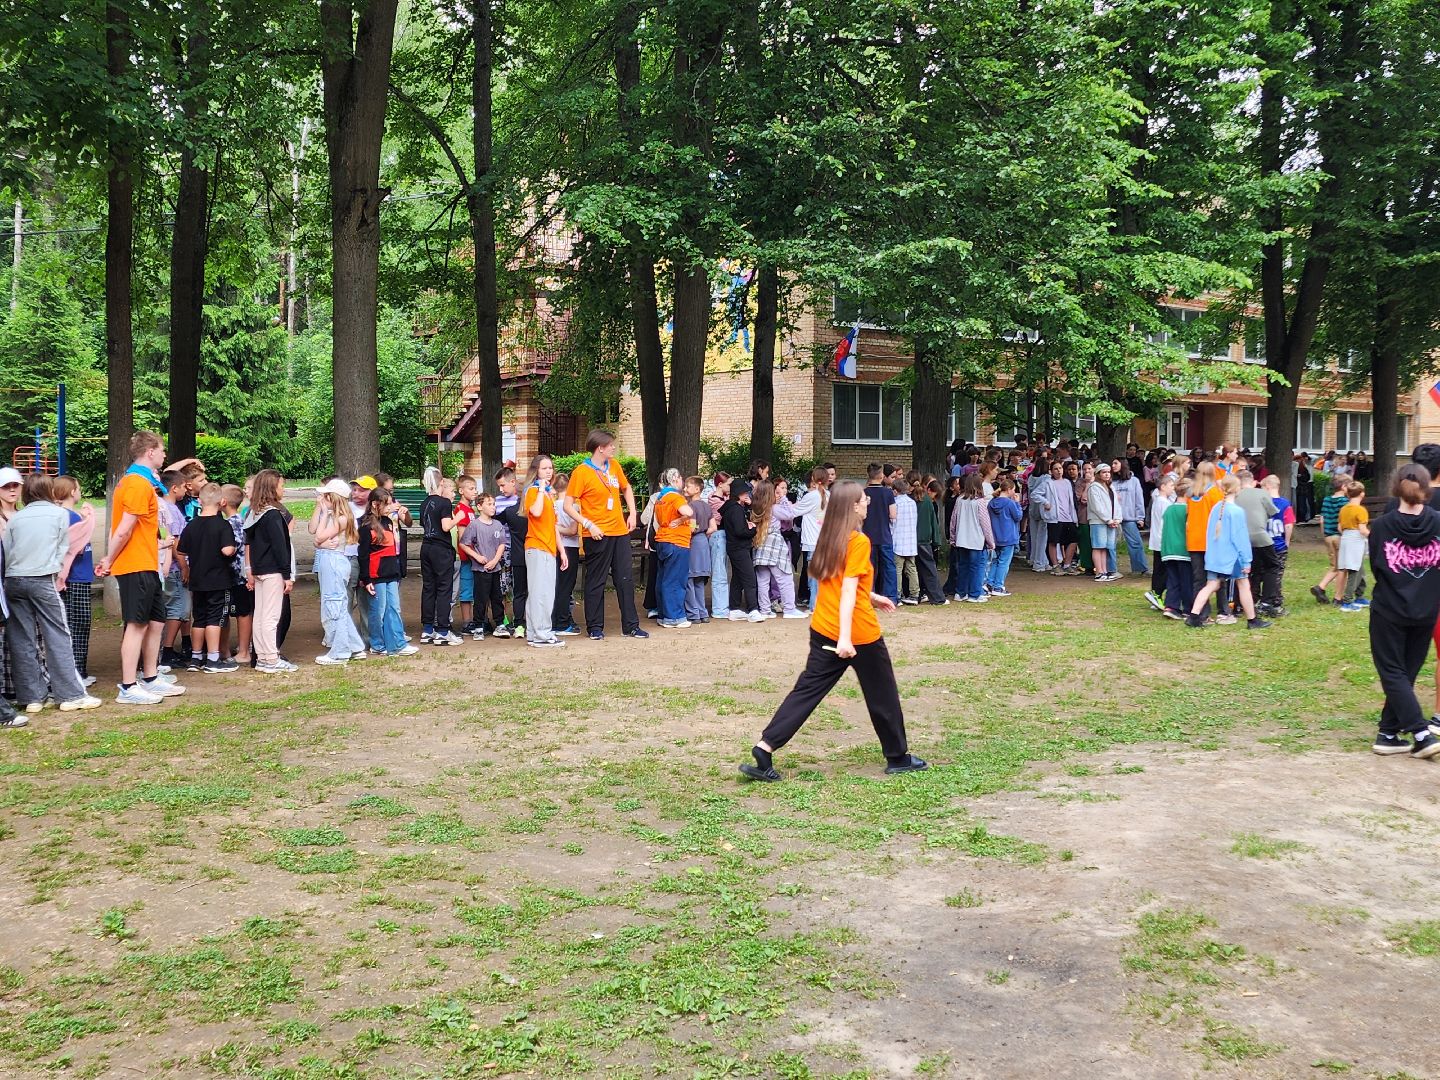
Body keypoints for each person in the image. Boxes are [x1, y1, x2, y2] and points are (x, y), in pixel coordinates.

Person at [736, 481, 927, 782]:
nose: (868, 503)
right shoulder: (858, 541)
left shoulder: (830, 534)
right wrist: (846, 638)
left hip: (823, 626)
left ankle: (765, 747)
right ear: (852, 506)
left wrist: (872, 596)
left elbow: (838, 582)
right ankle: (898, 757)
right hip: (856, 634)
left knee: (806, 691)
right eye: (864, 499)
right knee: (883, 694)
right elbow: (848, 590)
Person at [95, 431, 187, 705]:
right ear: (150, 452)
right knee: (136, 624)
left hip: (147, 563)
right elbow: (124, 530)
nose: (163, 455)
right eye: (161, 451)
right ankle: (127, 685)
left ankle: (150, 677)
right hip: (134, 564)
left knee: (156, 621)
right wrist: (108, 559)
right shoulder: (136, 484)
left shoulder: (144, 481)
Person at [2, 474, 102, 712]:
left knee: (21, 638)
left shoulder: (17, 518)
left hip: (13, 580)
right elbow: (63, 548)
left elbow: (6, 549)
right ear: (49, 490)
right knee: (58, 634)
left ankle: (32, 698)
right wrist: (55, 571)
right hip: (42, 578)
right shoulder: (58, 515)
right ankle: (70, 694)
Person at [1366, 465, 1440, 757]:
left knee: (1394, 671)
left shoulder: (1382, 526)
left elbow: (1376, 566)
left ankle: (1421, 734)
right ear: (1427, 489)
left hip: (1390, 607)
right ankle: (1387, 734)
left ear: (1395, 488)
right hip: (1426, 607)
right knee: (1405, 672)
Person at [563, 430, 646, 640]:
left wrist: (633, 513)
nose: (613, 447)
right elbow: (567, 505)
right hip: (597, 534)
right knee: (596, 581)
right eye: (610, 445)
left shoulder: (614, 466)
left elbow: (626, 489)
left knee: (625, 579)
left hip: (619, 532)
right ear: (600, 447)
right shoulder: (581, 472)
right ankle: (595, 627)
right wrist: (588, 525)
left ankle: (631, 626)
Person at [1186, 476, 1270, 630]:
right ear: (1237, 489)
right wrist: (1246, 560)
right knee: (1244, 584)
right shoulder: (1236, 512)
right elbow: (1240, 538)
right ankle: (1252, 620)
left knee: (1211, 585)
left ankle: (1194, 616)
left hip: (1215, 555)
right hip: (1232, 557)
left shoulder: (1216, 507)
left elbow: (1210, 533)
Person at [177, 483, 240, 674]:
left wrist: (186, 567)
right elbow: (227, 550)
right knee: (215, 618)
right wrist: (234, 548)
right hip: (218, 580)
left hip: (197, 580)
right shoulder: (223, 525)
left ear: (199, 500)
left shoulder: (192, 524)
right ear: (222, 502)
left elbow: (180, 549)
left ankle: (196, 658)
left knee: (199, 618)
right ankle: (213, 658)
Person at [244, 470, 296, 673]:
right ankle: (271, 658)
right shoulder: (273, 514)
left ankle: (263, 657)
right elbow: (280, 547)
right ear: (272, 487)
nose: (283, 489)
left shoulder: (255, 513)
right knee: (271, 616)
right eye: (281, 485)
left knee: (260, 615)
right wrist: (287, 574)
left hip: (259, 570)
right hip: (273, 571)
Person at [310, 479, 367, 665]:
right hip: (331, 560)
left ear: (332, 498)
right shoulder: (337, 515)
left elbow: (319, 537)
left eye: (326, 496)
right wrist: (324, 514)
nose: (322, 499)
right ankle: (355, 646)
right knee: (338, 605)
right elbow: (317, 539)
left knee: (335, 606)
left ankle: (340, 651)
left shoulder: (341, 518)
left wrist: (321, 538)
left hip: (334, 561)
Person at [358, 488, 418, 657]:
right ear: (375, 504)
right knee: (378, 609)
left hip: (392, 571)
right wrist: (366, 578)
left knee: (394, 608)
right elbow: (363, 554)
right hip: (376, 575)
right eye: (387, 504)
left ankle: (398, 642)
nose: (391, 506)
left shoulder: (389, 521)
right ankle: (377, 643)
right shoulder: (365, 524)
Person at [54, 476, 97, 688]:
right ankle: (77, 671)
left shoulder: (70, 515)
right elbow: (73, 547)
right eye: (78, 488)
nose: (80, 492)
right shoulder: (70, 517)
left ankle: (78, 670)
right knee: (78, 623)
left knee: (75, 623)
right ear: (72, 492)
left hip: (78, 576)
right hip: (75, 578)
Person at [521, 453, 567, 647]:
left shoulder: (548, 494)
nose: (548, 472)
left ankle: (534, 633)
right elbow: (536, 512)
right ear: (536, 471)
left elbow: (553, 526)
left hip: (547, 548)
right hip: (538, 546)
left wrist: (562, 551)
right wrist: (541, 490)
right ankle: (542, 634)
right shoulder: (534, 491)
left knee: (539, 592)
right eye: (544, 468)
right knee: (542, 594)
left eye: (550, 468)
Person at [418, 467, 460, 646]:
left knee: (429, 588)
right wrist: (458, 518)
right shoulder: (444, 503)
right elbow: (445, 526)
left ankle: (428, 629)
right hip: (440, 549)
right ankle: (443, 630)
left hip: (425, 547)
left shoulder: (424, 503)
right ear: (441, 482)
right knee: (444, 588)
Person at [752, 479, 804, 619]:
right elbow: (790, 514)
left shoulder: (756, 508)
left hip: (760, 545)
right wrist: (784, 499)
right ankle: (789, 609)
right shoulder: (773, 508)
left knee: (763, 580)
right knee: (784, 577)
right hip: (774, 544)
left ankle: (765, 609)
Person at [459, 492, 508, 639]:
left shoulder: (498, 524)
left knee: (497, 596)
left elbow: (501, 545)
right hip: (480, 569)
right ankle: (479, 625)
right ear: (479, 506)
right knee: (480, 598)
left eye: (493, 504)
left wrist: (495, 560)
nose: (493, 507)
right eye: (489, 504)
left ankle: (499, 624)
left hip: (495, 568)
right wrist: (477, 557)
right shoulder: (474, 525)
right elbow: (464, 544)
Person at [158, 470, 193, 668]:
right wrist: (183, 566)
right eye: (182, 487)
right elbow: (175, 543)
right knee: (179, 609)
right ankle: (167, 650)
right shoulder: (171, 510)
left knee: (176, 607)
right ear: (174, 488)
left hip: (169, 567)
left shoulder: (165, 508)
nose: (185, 491)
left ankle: (167, 650)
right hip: (174, 568)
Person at [1185, 461, 1225, 617]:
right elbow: (1220, 518)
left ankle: (1202, 612)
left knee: (1198, 579)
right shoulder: (1216, 493)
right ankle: (1223, 610)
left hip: (1194, 541)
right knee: (1218, 577)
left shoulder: (1190, 493)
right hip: (1211, 541)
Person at [493, 466, 529, 639]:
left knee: (519, 590)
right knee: (530, 590)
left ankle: (520, 623)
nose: (501, 490)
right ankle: (530, 622)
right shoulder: (532, 511)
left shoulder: (509, 511)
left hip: (517, 554)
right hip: (529, 552)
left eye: (503, 485)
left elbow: (493, 520)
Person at [721, 479, 762, 621]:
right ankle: (753, 610)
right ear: (738, 494)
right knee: (750, 579)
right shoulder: (736, 509)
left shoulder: (730, 508)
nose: (747, 495)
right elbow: (740, 531)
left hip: (733, 547)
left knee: (738, 579)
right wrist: (753, 530)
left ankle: (734, 608)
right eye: (744, 492)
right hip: (740, 548)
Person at [950, 472, 994, 603]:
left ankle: (960, 592)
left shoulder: (959, 500)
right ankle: (975, 594)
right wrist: (991, 541)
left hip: (961, 539)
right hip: (976, 540)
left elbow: (954, 520)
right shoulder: (980, 502)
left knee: (963, 566)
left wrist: (953, 537)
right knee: (977, 567)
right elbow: (985, 524)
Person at [861, 464, 898, 604]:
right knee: (889, 566)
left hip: (867, 535)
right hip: (884, 535)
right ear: (882, 475)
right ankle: (891, 597)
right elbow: (893, 514)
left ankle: (868, 596)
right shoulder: (888, 493)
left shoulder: (863, 492)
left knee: (869, 567)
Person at [1312, 472, 1352, 603]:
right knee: (1343, 568)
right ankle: (1338, 596)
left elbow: (1322, 519)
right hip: (1339, 536)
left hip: (1328, 536)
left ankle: (1321, 587)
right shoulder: (1345, 502)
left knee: (1334, 565)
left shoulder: (1327, 500)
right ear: (1344, 486)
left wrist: (1324, 534)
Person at [551, 473, 582, 635]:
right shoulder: (573, 507)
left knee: (557, 585)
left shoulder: (552, 505)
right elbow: (572, 530)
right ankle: (562, 623)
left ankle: (556, 619)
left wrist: (554, 529)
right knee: (566, 586)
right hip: (569, 548)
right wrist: (558, 529)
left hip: (555, 548)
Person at [1259, 474, 1294, 616]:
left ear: (1267, 486)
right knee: (1277, 574)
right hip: (1278, 544)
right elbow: (1289, 524)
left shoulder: (1261, 502)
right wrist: (1287, 541)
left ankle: (1262, 599)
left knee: (1262, 573)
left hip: (1263, 543)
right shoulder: (1285, 504)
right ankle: (1275, 600)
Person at [1159, 479, 1194, 619]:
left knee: (1173, 580)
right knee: (1187, 580)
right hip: (1183, 550)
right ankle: (1188, 608)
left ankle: (1171, 606)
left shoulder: (1169, 509)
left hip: (1168, 550)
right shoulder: (1187, 509)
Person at [793, 468, 827, 610]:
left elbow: (793, 511)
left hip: (813, 542)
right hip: (825, 542)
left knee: (814, 579)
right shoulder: (828, 495)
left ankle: (815, 607)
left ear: (814, 481)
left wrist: (777, 505)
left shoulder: (812, 496)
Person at [1335, 481, 1371, 611]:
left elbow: (1339, 527)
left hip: (1345, 538)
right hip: (1356, 540)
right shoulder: (1361, 510)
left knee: (1359, 567)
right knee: (1354, 570)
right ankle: (1348, 600)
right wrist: (1373, 536)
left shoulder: (1343, 509)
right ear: (1362, 494)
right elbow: (1362, 529)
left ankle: (1360, 596)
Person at [682, 475, 713, 624]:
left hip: (693, 542)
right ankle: (703, 612)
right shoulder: (707, 506)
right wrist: (703, 531)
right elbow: (713, 527)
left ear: (697, 489)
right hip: (703, 543)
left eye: (688, 486)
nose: (685, 489)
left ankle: (693, 613)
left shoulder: (691, 506)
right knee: (700, 580)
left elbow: (692, 527)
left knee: (689, 579)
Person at [1143, 473, 1177, 611]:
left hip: (1158, 540)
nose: (1173, 488)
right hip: (1163, 541)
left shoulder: (1159, 501)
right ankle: (1156, 593)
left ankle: (1156, 595)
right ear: (1163, 487)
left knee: (1159, 570)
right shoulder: (1163, 503)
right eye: (1171, 485)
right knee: (1163, 571)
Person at [916, 479, 948, 605]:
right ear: (929, 491)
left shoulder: (915, 499)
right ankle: (937, 597)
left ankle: (915, 594)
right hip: (924, 541)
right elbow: (933, 524)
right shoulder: (928, 502)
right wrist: (937, 541)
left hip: (912, 540)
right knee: (930, 570)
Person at [1087, 462, 1121, 582]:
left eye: (1108, 472)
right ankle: (1099, 572)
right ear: (1098, 474)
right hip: (1098, 521)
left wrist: (1117, 518)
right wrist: (1108, 519)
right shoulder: (1093, 487)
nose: (1107, 474)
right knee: (1098, 546)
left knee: (1106, 547)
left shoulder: (1111, 487)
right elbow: (1097, 507)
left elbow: (1116, 504)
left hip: (1110, 521)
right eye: (1104, 472)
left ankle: (1105, 571)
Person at [1113, 462, 1148, 575]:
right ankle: (1111, 569)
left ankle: (1140, 568)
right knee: (1110, 544)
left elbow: (1139, 499)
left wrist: (1140, 517)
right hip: (1113, 518)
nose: (1113, 466)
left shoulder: (1134, 481)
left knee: (1135, 543)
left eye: (1115, 463)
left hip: (1129, 517)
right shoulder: (1111, 482)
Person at [706, 472, 732, 620]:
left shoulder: (725, 498)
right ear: (720, 484)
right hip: (717, 537)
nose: (730, 487)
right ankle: (719, 609)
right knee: (719, 573)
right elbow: (727, 510)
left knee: (723, 572)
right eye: (728, 483)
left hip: (724, 537)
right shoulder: (714, 500)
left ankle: (723, 606)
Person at [892, 476, 920, 604]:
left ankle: (897, 594)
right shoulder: (912, 502)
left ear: (895, 491)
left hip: (898, 540)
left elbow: (892, 522)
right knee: (911, 568)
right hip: (911, 540)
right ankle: (915, 594)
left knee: (897, 569)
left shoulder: (895, 503)